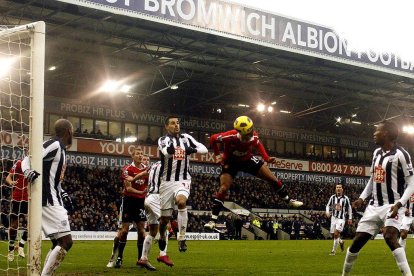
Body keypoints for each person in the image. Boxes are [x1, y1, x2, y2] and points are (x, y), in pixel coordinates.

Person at [204, 116, 303, 230]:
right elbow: (212, 138)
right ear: (240, 133)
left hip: (247, 160)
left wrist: (266, 158)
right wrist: (217, 155)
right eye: (247, 135)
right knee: (223, 189)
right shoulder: (230, 136)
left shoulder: (253, 135)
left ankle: (289, 201)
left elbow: (258, 145)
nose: (250, 136)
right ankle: (213, 220)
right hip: (231, 163)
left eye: (251, 132)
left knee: (272, 178)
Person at [342, 120, 414, 276]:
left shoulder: (401, 155)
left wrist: (399, 204)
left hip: (393, 205)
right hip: (374, 206)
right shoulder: (376, 154)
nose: (374, 134)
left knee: (389, 236)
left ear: (386, 133)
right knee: (357, 242)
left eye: (377, 131)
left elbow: (412, 184)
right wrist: (362, 198)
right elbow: (373, 179)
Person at [21, 118, 74, 276]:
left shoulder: (61, 149)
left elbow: (52, 179)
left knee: (57, 242)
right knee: (66, 241)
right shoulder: (55, 144)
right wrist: (27, 171)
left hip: (53, 197)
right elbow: (28, 157)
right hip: (48, 200)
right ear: (69, 132)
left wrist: (63, 192)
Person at [157, 116, 208, 252]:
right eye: (173, 123)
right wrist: (176, 150)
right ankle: (162, 236)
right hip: (167, 182)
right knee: (164, 219)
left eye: (178, 123)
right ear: (166, 127)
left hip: (183, 179)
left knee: (181, 202)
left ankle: (182, 238)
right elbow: (165, 152)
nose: (176, 125)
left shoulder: (186, 138)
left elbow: (204, 149)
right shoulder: (163, 140)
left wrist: (194, 150)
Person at [106, 147, 149, 269]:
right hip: (129, 201)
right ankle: (117, 256)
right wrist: (142, 193)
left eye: (141, 153)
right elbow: (128, 188)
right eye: (137, 154)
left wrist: (145, 194)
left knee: (142, 232)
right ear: (133, 156)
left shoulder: (147, 171)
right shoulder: (127, 169)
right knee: (124, 231)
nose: (140, 156)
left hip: (141, 203)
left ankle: (140, 259)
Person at [137, 160, 174, 270]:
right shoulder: (168, 166)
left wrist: (132, 179)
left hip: (148, 198)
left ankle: (143, 258)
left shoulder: (154, 164)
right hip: (157, 197)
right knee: (165, 226)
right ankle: (163, 254)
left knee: (153, 231)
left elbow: (143, 173)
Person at [5, 158, 29, 261]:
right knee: (14, 225)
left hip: (30, 199)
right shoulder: (20, 163)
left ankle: (21, 245)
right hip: (17, 197)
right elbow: (8, 177)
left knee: (32, 225)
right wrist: (11, 182)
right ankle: (10, 250)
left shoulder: (38, 164)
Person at [326, 183, 352, 255]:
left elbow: (349, 208)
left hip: (341, 218)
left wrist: (350, 218)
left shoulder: (345, 198)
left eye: (340, 187)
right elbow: (328, 206)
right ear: (335, 189)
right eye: (337, 187)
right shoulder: (332, 197)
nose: (338, 188)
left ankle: (333, 251)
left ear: (342, 189)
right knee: (332, 234)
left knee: (336, 233)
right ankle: (341, 241)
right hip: (333, 218)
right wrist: (327, 212)